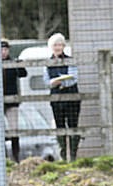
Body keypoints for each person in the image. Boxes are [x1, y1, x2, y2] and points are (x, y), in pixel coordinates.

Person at [42, 33, 80, 161]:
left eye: (60, 44)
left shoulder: (70, 60)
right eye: (55, 45)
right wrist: (54, 83)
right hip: (56, 98)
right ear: (51, 47)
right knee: (60, 125)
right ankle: (63, 155)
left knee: (73, 125)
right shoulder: (47, 63)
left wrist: (60, 82)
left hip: (71, 96)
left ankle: (73, 155)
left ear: (63, 46)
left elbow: (73, 78)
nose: (58, 47)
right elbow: (46, 81)